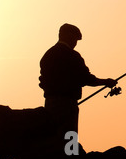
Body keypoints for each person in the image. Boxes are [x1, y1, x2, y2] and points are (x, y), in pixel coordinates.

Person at [39, 23, 117, 152]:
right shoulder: (72, 56)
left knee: (53, 136)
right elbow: (86, 78)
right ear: (67, 36)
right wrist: (106, 82)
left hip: (50, 103)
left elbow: (42, 81)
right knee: (69, 138)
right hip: (67, 105)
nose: (75, 43)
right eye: (75, 39)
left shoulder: (47, 56)